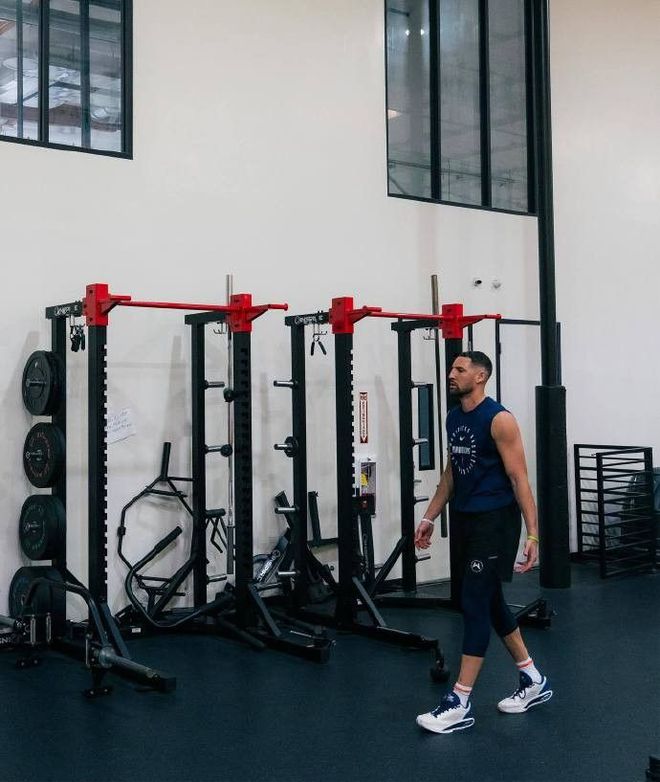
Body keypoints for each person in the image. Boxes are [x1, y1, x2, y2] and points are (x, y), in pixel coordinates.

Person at [414, 351, 552, 734]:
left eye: (460, 369)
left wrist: (533, 533)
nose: (451, 374)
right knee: (490, 601)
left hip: (495, 521)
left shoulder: (499, 419)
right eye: (452, 368)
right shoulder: (454, 417)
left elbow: (519, 477)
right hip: (465, 518)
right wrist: (429, 516)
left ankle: (459, 701)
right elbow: (451, 473)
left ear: (480, 376)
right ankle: (532, 678)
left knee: (473, 601)